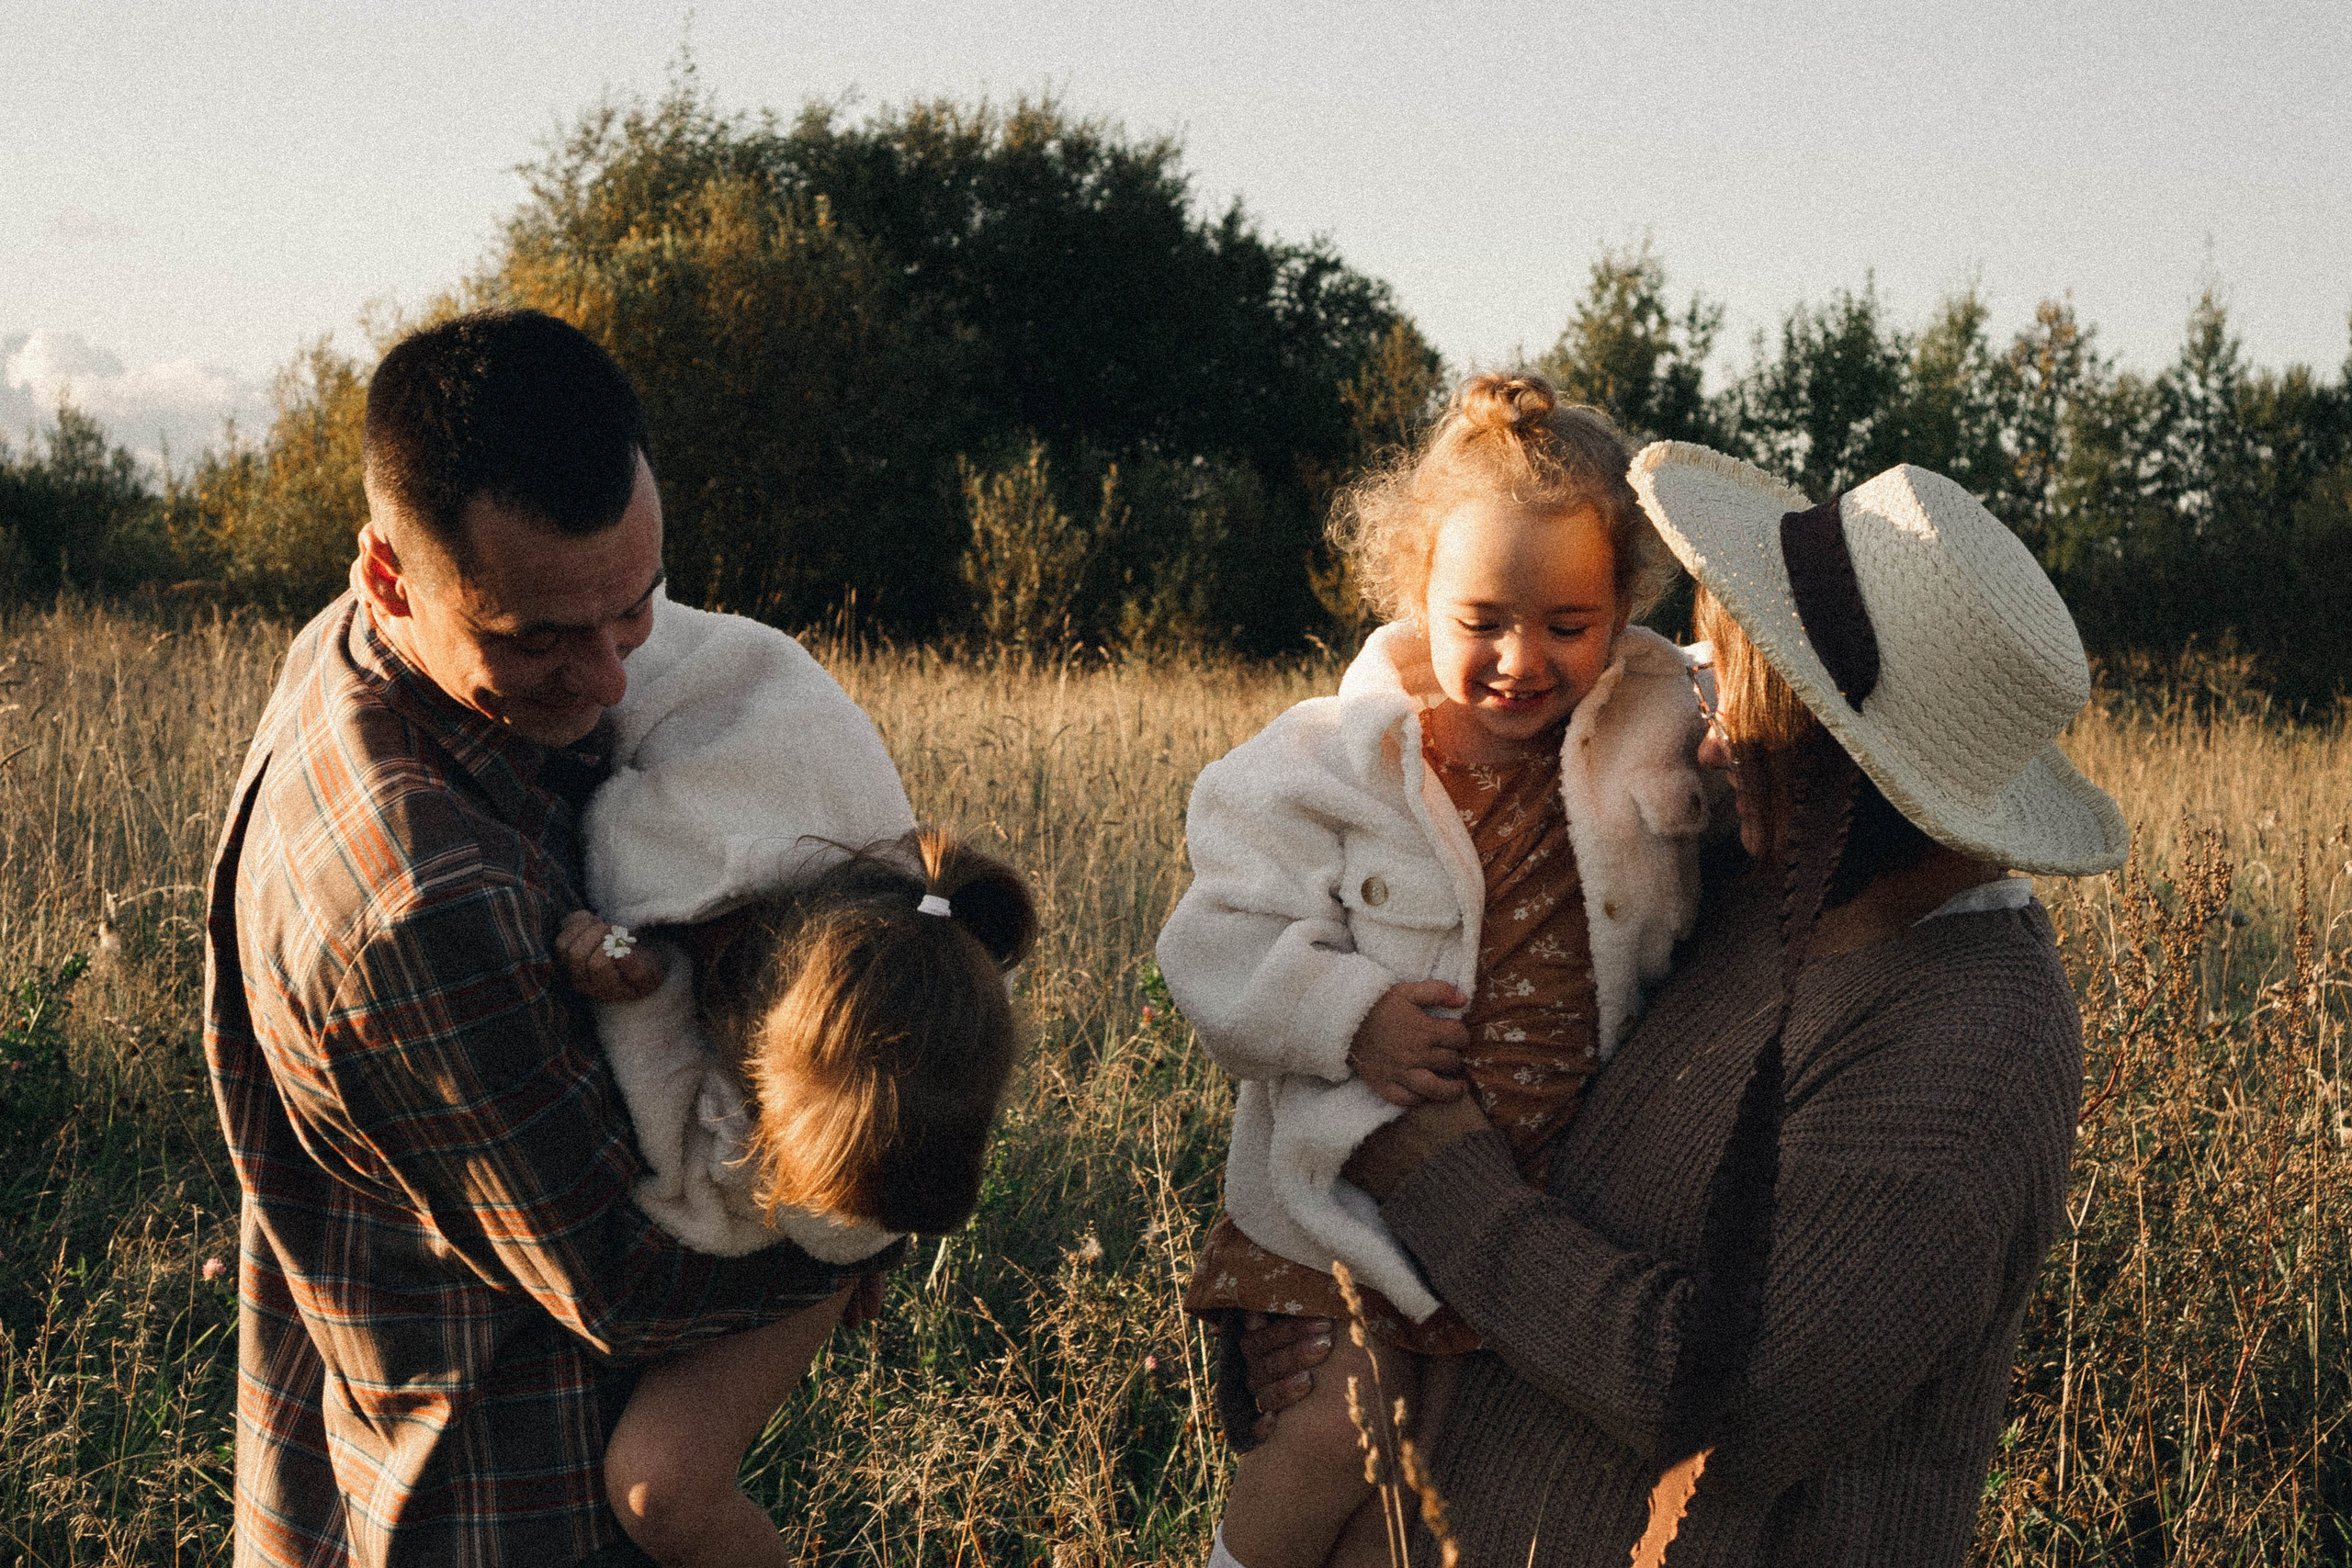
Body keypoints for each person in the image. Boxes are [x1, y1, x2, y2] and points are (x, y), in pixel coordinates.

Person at [1237, 443, 2130, 1565]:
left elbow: (1736, 1404)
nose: (1704, 738)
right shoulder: (1752, 890)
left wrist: (1432, 1177)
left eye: (1736, 698)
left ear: (1849, 758)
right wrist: (1315, 1317)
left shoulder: (1964, 1053)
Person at [202, 309, 878, 1566]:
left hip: (369, 1460)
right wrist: (869, 1204)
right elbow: (625, 1282)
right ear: (391, 572)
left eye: (633, 607)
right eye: (540, 639)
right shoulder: (419, 909)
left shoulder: (354, 650)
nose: (612, 676)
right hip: (483, 1506)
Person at [1158, 376, 1718, 1568]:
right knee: (1342, 1425)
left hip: (1534, 1214)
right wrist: (1348, 1016)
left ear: (1626, 605)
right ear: (1418, 591)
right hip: (1348, 1211)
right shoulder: (1333, 756)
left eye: (1569, 623)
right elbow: (1212, 939)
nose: (1522, 660)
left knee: (1420, 1517)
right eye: (1482, 619)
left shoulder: (1665, 719)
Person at [559, 828, 1037, 1568]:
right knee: (660, 1487)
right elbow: (662, 1081)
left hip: (809, 1249)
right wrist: (636, 984)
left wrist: (858, 1244)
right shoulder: (730, 1075)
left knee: (662, 1488)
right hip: (771, 1185)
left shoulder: (945, 1023)